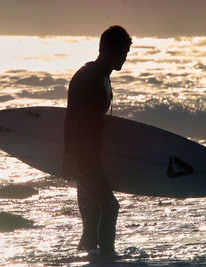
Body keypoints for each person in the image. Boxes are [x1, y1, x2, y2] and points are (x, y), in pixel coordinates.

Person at [61, 25, 132, 256]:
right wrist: (70, 157)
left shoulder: (101, 77)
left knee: (91, 225)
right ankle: (108, 257)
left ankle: (90, 259)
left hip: (92, 158)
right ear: (107, 49)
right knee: (110, 207)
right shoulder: (87, 77)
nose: (124, 58)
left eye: (126, 53)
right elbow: (71, 119)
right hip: (84, 160)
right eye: (122, 52)